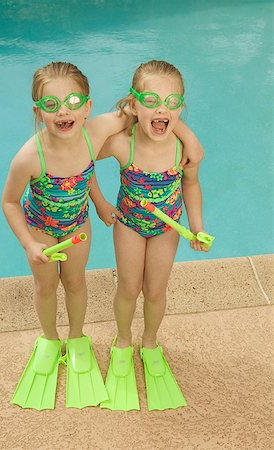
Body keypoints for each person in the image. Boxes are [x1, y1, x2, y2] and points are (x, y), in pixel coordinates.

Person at [2, 61, 204, 411]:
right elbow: (10, 200)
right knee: (46, 287)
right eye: (52, 105)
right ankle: (52, 340)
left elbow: (137, 116)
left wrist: (188, 137)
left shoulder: (98, 131)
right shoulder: (29, 157)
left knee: (83, 284)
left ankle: (89, 338)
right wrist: (30, 242)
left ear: (88, 106)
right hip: (43, 229)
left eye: (74, 103)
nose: (65, 111)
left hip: (86, 227)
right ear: (38, 111)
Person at [90, 60, 209, 411]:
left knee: (155, 290)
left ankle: (151, 343)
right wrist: (99, 202)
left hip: (167, 227)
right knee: (128, 287)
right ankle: (123, 341)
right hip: (129, 223)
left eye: (173, 102)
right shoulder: (120, 144)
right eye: (152, 100)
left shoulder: (182, 149)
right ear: (133, 102)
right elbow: (79, 159)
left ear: (181, 107)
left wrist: (197, 226)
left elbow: (192, 185)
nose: (163, 109)